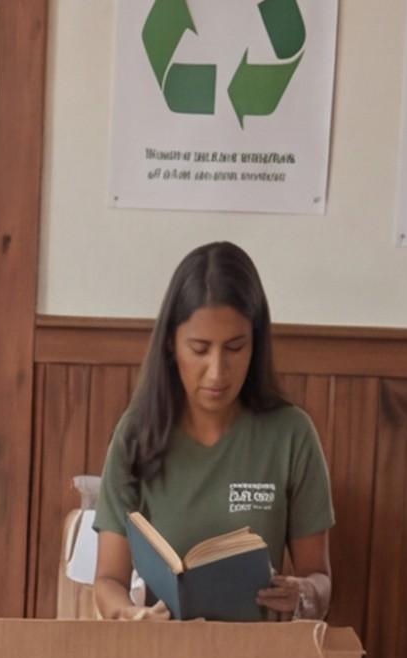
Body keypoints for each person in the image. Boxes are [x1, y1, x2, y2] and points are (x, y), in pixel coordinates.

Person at [90, 243, 333, 622]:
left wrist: (304, 593)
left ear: (256, 343)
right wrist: (127, 614)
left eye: (235, 348)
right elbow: (108, 579)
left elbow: (320, 579)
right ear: (171, 343)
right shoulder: (137, 434)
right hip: (163, 656)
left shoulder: (291, 434)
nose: (217, 372)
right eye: (200, 349)